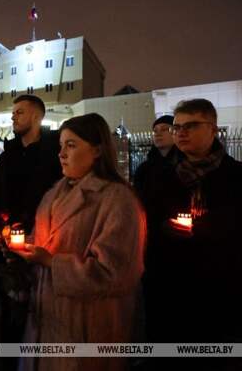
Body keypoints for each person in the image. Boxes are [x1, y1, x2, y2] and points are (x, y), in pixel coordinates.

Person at [141, 99, 242, 344]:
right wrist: (161, 228)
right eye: (177, 127)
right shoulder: (158, 178)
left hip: (228, 297)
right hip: (171, 298)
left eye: (191, 125)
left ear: (213, 129)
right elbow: (144, 229)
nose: (181, 132)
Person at [14, 113, 146, 371]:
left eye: (71, 145)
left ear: (97, 150)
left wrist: (51, 261)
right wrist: (19, 250)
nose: (61, 153)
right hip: (44, 324)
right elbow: (38, 241)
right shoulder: (53, 194)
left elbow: (116, 273)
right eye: (61, 146)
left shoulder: (117, 200)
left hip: (86, 329)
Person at [0, 94, 63, 356]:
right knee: (9, 315)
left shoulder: (54, 155)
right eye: (13, 112)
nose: (13, 117)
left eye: (19, 112)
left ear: (37, 116)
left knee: (42, 318)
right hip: (7, 247)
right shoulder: (7, 157)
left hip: (43, 245)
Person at [133, 115, 176, 198]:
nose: (158, 134)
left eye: (164, 129)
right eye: (155, 131)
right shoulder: (144, 169)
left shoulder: (184, 165)